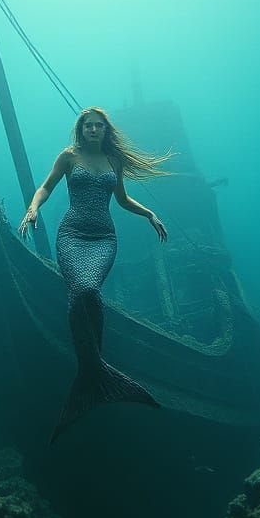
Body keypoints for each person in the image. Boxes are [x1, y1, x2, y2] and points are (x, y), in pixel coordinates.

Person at [18, 107, 171, 442]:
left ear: (105, 130)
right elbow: (46, 187)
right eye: (88, 125)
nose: (93, 130)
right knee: (82, 292)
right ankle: (96, 371)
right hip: (71, 235)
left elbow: (123, 199)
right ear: (80, 129)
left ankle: (93, 371)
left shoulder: (113, 162)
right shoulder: (69, 157)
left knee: (89, 292)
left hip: (103, 238)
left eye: (98, 126)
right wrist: (33, 208)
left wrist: (150, 214)